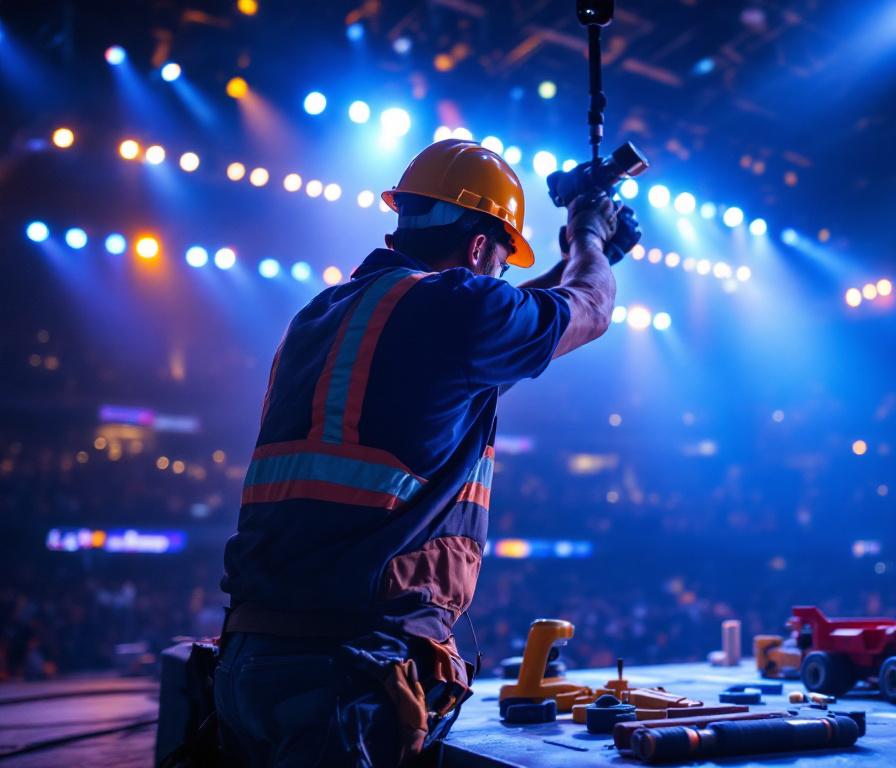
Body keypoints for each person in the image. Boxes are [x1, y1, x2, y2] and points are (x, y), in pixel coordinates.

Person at [213, 139, 629, 766]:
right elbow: (588, 310)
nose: (500, 278)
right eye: (502, 263)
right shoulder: (458, 311)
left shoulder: (324, 314)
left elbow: (482, 327)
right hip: (349, 674)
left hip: (253, 659)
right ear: (478, 247)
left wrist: (579, 260)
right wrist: (590, 240)